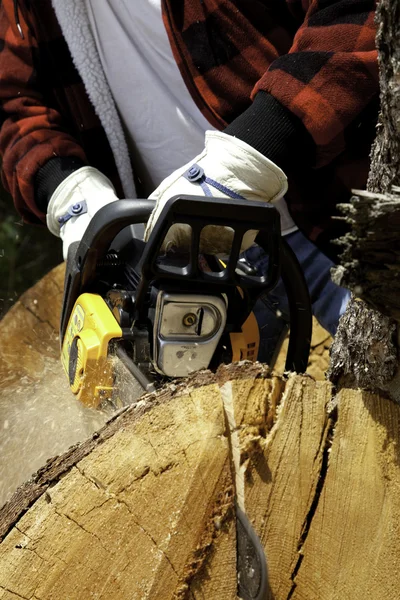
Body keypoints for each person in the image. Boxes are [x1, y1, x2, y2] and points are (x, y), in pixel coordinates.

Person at [0, 0, 378, 363]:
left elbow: (359, 13)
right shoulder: (24, 8)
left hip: (330, 212)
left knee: (382, 367)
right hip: (181, 260)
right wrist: (72, 194)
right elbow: (15, 106)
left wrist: (256, 151)